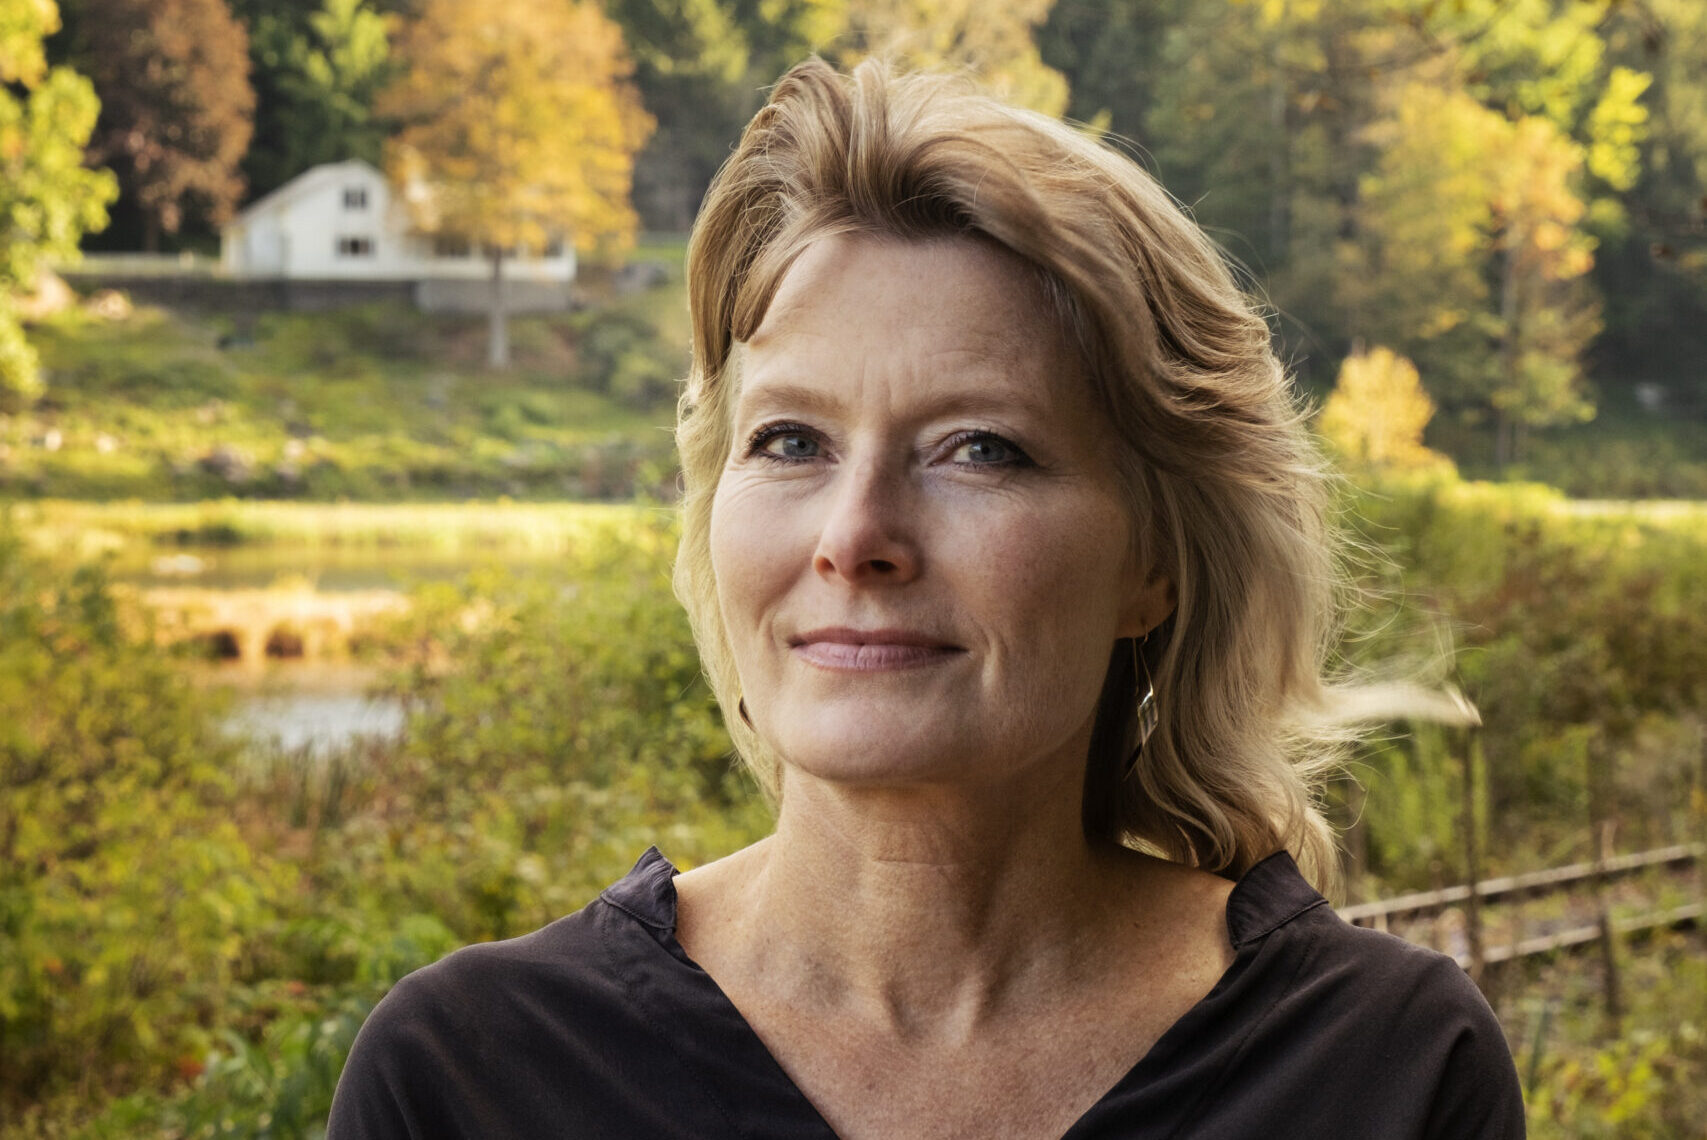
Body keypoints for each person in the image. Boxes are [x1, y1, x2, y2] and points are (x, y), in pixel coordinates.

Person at [327, 58, 1526, 1139]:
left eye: (979, 450)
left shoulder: (1385, 1072)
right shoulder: (474, 1077)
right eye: (791, 441)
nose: (855, 540)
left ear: (1155, 562)